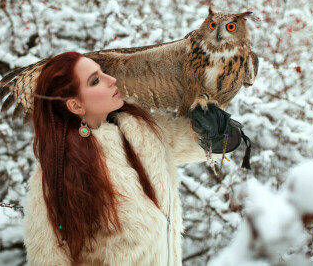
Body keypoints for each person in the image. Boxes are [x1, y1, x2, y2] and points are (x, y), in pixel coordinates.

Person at [24, 51, 207, 265]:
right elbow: (47, 257)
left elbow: (196, 142)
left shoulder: (142, 129)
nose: (111, 80)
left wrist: (221, 134)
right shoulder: (56, 172)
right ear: (76, 105)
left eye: (104, 73)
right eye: (95, 80)